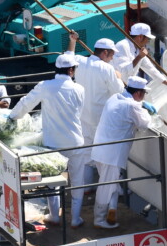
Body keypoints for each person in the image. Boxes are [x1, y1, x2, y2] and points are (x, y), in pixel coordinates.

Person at [8, 51, 88, 226]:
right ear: (72, 70)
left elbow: (25, 103)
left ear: (56, 69)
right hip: (75, 141)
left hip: (52, 143)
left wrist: (12, 117)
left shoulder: (44, 86)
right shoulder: (79, 89)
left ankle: (54, 216)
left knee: (53, 180)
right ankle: (75, 218)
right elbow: (79, 112)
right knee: (77, 180)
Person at [91, 76, 154, 228]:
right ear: (138, 93)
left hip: (99, 149)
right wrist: (146, 109)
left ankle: (112, 210)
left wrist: (142, 105)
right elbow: (145, 123)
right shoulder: (132, 106)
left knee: (111, 183)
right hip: (112, 155)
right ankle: (99, 220)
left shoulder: (114, 98)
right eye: (144, 94)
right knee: (106, 186)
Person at [77, 38, 123, 147]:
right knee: (101, 147)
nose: (112, 59)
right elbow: (119, 90)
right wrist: (119, 77)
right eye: (112, 55)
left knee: (86, 147)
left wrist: (72, 41)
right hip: (99, 116)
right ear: (105, 52)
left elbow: (68, 54)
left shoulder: (80, 61)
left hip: (82, 113)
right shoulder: (107, 68)